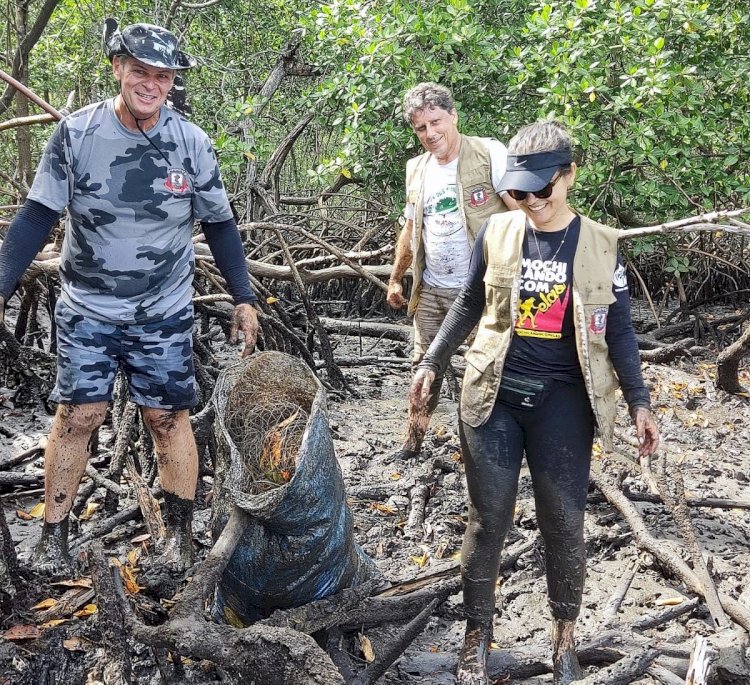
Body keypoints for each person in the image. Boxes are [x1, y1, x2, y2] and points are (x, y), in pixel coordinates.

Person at [0, 20, 259, 572]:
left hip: (162, 312)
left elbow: (220, 224)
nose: (151, 84)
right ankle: (53, 532)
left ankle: (181, 538)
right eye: (140, 71)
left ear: (172, 83)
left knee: (169, 419)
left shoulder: (191, 142)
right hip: (87, 307)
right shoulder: (76, 134)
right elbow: (36, 217)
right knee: (77, 416)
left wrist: (243, 296)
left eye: (162, 76)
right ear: (117, 68)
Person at [409, 120, 659, 685]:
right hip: (493, 394)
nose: (532, 203)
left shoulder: (600, 243)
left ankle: (563, 636)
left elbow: (618, 330)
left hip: (565, 403)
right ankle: (476, 636)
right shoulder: (498, 232)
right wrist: (431, 362)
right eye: (519, 192)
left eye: (542, 190)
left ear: (569, 176)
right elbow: (468, 304)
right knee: (488, 519)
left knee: (564, 522)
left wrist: (641, 403)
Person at [387, 82, 516, 460]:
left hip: (482, 290)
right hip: (431, 288)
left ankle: (490, 451)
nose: (430, 134)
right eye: (420, 128)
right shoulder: (417, 168)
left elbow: (519, 214)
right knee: (424, 368)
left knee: (490, 371)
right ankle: (412, 443)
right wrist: (396, 278)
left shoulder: (489, 153)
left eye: (436, 122)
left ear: (453, 116)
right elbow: (410, 230)